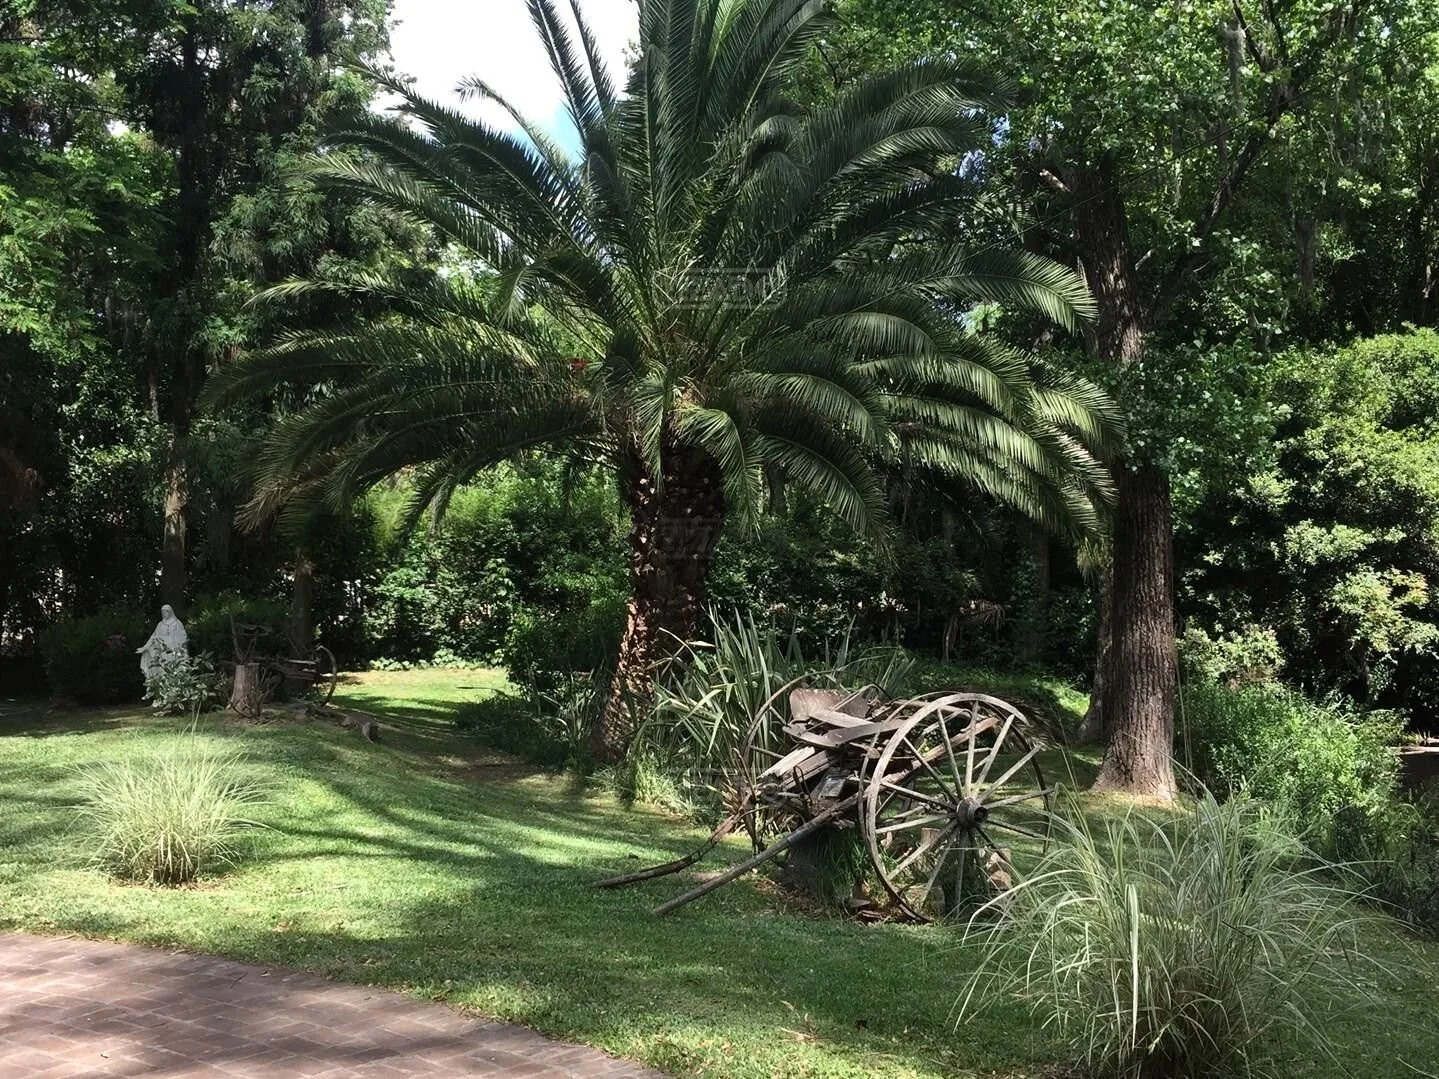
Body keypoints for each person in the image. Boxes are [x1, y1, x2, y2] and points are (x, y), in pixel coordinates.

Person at [137, 604, 188, 678]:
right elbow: (153, 637)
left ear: (169, 612)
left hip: (173, 649)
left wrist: (179, 646)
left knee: (173, 668)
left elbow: (183, 637)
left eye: (164, 612)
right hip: (162, 649)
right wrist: (144, 647)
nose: (163, 614)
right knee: (161, 668)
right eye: (162, 613)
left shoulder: (177, 623)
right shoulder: (160, 624)